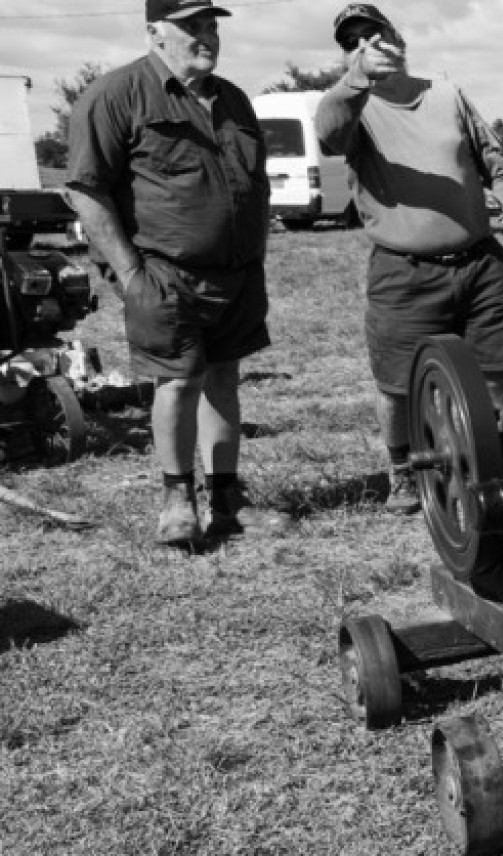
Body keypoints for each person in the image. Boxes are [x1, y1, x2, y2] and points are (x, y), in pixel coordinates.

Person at [315, 3, 503, 513]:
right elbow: (328, 133)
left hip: (480, 265)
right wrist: (356, 80)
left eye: (375, 33)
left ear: (398, 37)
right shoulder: (353, 106)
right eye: (353, 42)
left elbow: (495, 163)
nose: (368, 45)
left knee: (494, 376)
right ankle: (402, 471)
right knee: (397, 386)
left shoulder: (447, 93)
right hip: (405, 273)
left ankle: (491, 463)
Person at [67, 0, 273, 546]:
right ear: (155, 31)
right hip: (162, 273)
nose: (206, 35)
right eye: (191, 26)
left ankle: (227, 499)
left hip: (237, 274)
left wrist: (256, 251)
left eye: (211, 25)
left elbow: (257, 185)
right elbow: (87, 189)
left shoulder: (235, 100)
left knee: (224, 379)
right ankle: (177, 500)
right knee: (180, 381)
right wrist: (131, 274)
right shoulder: (116, 94)